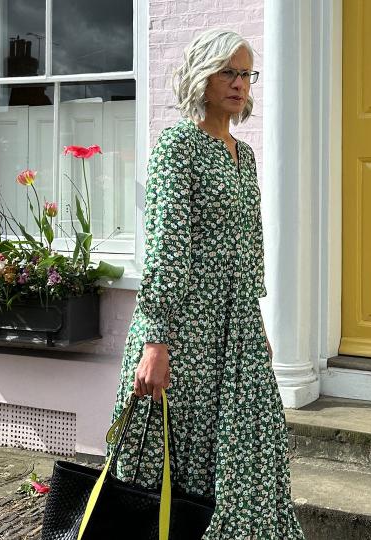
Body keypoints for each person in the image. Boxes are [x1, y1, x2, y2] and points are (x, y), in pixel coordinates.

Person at [105, 28, 306, 539]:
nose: (240, 84)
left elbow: (249, 245)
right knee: (182, 459)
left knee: (248, 454)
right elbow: (166, 247)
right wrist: (155, 340)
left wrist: (256, 319)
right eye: (229, 72)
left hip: (235, 329)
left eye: (246, 74)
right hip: (183, 330)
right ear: (203, 76)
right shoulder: (179, 147)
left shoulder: (245, 156)